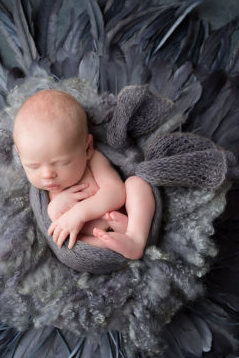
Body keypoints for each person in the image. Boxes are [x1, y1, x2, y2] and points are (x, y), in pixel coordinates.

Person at [12, 89, 155, 260]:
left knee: (136, 184)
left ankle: (135, 238)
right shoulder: (44, 193)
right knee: (67, 241)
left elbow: (116, 192)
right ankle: (113, 244)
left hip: (127, 217)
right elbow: (54, 227)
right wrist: (55, 208)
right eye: (33, 166)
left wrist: (79, 213)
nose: (47, 174)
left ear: (86, 148)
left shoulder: (93, 160)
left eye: (61, 163)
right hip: (94, 238)